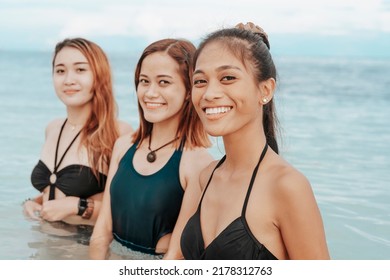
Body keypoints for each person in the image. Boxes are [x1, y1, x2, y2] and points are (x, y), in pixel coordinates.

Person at [180, 22, 330, 260]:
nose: (209, 94)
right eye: (200, 81)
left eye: (227, 78)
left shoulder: (287, 187)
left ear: (266, 90)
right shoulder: (206, 177)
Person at [89, 38, 213, 260]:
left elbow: (175, 255)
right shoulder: (123, 145)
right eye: (144, 81)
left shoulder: (197, 162)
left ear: (188, 91)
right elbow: (102, 231)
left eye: (163, 82)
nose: (150, 93)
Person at [23, 38, 133, 226]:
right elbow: (57, 188)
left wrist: (78, 206)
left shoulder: (119, 132)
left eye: (80, 70)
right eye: (60, 71)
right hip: (44, 244)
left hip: (83, 247)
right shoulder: (53, 128)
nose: (68, 80)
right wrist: (33, 202)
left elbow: (129, 208)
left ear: (99, 75)